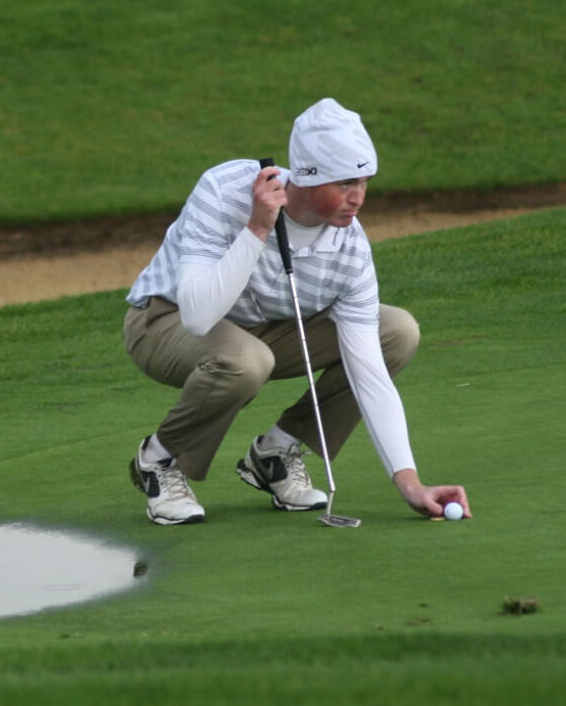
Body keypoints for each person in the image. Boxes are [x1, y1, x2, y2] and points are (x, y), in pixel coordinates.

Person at [123, 98, 471, 525]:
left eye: (364, 182)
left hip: (260, 330)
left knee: (396, 331)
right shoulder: (225, 189)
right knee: (247, 361)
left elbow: (370, 374)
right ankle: (159, 461)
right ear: (307, 177)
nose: (358, 197)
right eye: (345, 183)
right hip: (163, 320)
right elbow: (197, 315)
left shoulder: (350, 248)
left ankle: (276, 454)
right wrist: (256, 228)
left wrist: (410, 483)